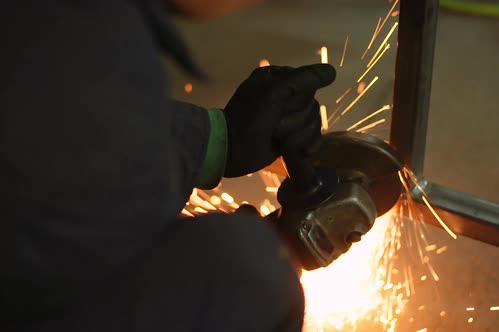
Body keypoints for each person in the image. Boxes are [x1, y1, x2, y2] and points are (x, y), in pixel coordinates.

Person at [1, 0, 336, 331]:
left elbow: (69, 122)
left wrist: (217, 139)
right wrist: (285, 249)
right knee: (249, 276)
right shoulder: (86, 37)